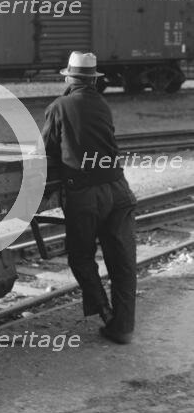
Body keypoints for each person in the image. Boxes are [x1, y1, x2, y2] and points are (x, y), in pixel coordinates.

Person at [41, 51, 137, 344]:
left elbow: (48, 153)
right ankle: (122, 328)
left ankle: (105, 312)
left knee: (82, 257)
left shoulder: (59, 106)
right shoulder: (103, 104)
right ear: (93, 80)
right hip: (119, 189)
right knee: (122, 262)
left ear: (70, 78)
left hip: (85, 195)